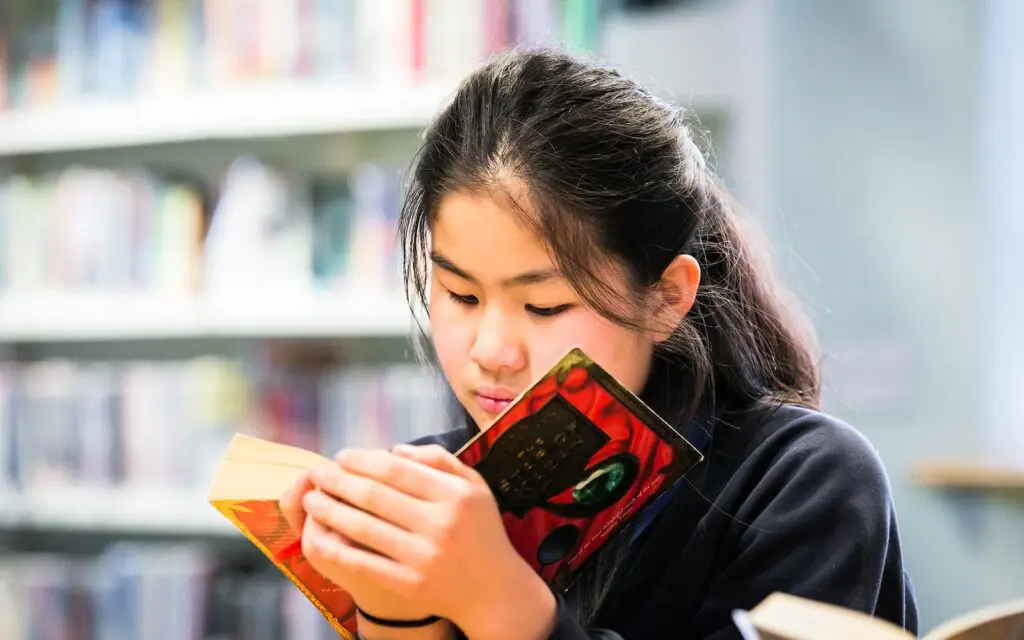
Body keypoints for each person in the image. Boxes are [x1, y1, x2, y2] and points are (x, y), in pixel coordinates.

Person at [279, 48, 918, 640]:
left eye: (545, 306)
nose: (491, 350)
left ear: (667, 297)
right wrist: (392, 606)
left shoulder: (801, 480)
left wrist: (499, 602)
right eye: (461, 296)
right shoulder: (436, 489)